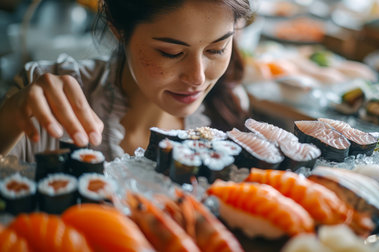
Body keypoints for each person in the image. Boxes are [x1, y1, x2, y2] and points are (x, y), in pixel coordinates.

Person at [0, 0, 252, 162]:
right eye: (170, 53)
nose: (197, 77)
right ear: (117, 29)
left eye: (216, 49)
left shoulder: (229, 102)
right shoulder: (49, 103)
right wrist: (9, 117)